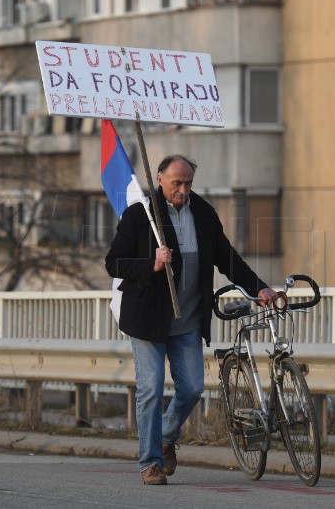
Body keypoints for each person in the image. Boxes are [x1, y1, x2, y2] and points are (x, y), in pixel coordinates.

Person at [105, 154, 278, 485]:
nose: (183, 190)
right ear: (159, 180)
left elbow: (229, 259)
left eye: (188, 184)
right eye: (176, 184)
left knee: (193, 388)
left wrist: (260, 288)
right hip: (148, 320)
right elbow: (113, 263)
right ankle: (150, 462)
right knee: (151, 387)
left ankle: (166, 436)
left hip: (187, 318)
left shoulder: (203, 213)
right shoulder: (141, 215)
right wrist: (151, 263)